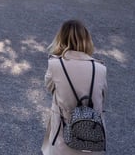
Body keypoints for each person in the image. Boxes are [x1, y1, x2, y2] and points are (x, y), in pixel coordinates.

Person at [42, 20, 107, 155]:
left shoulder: (55, 65)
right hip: (93, 136)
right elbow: (103, 95)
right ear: (87, 40)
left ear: (60, 38)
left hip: (63, 133)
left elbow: (50, 87)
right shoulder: (100, 68)